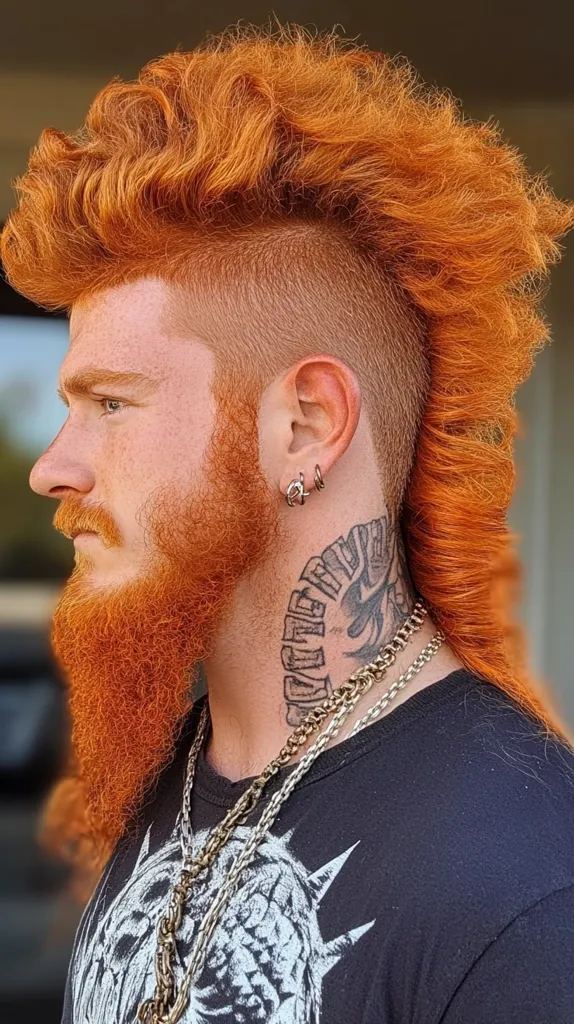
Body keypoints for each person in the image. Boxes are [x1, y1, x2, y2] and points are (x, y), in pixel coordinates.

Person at [2, 20, 574, 1024]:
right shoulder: (177, 774)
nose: (53, 467)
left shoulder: (523, 888)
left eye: (113, 404)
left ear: (304, 426)